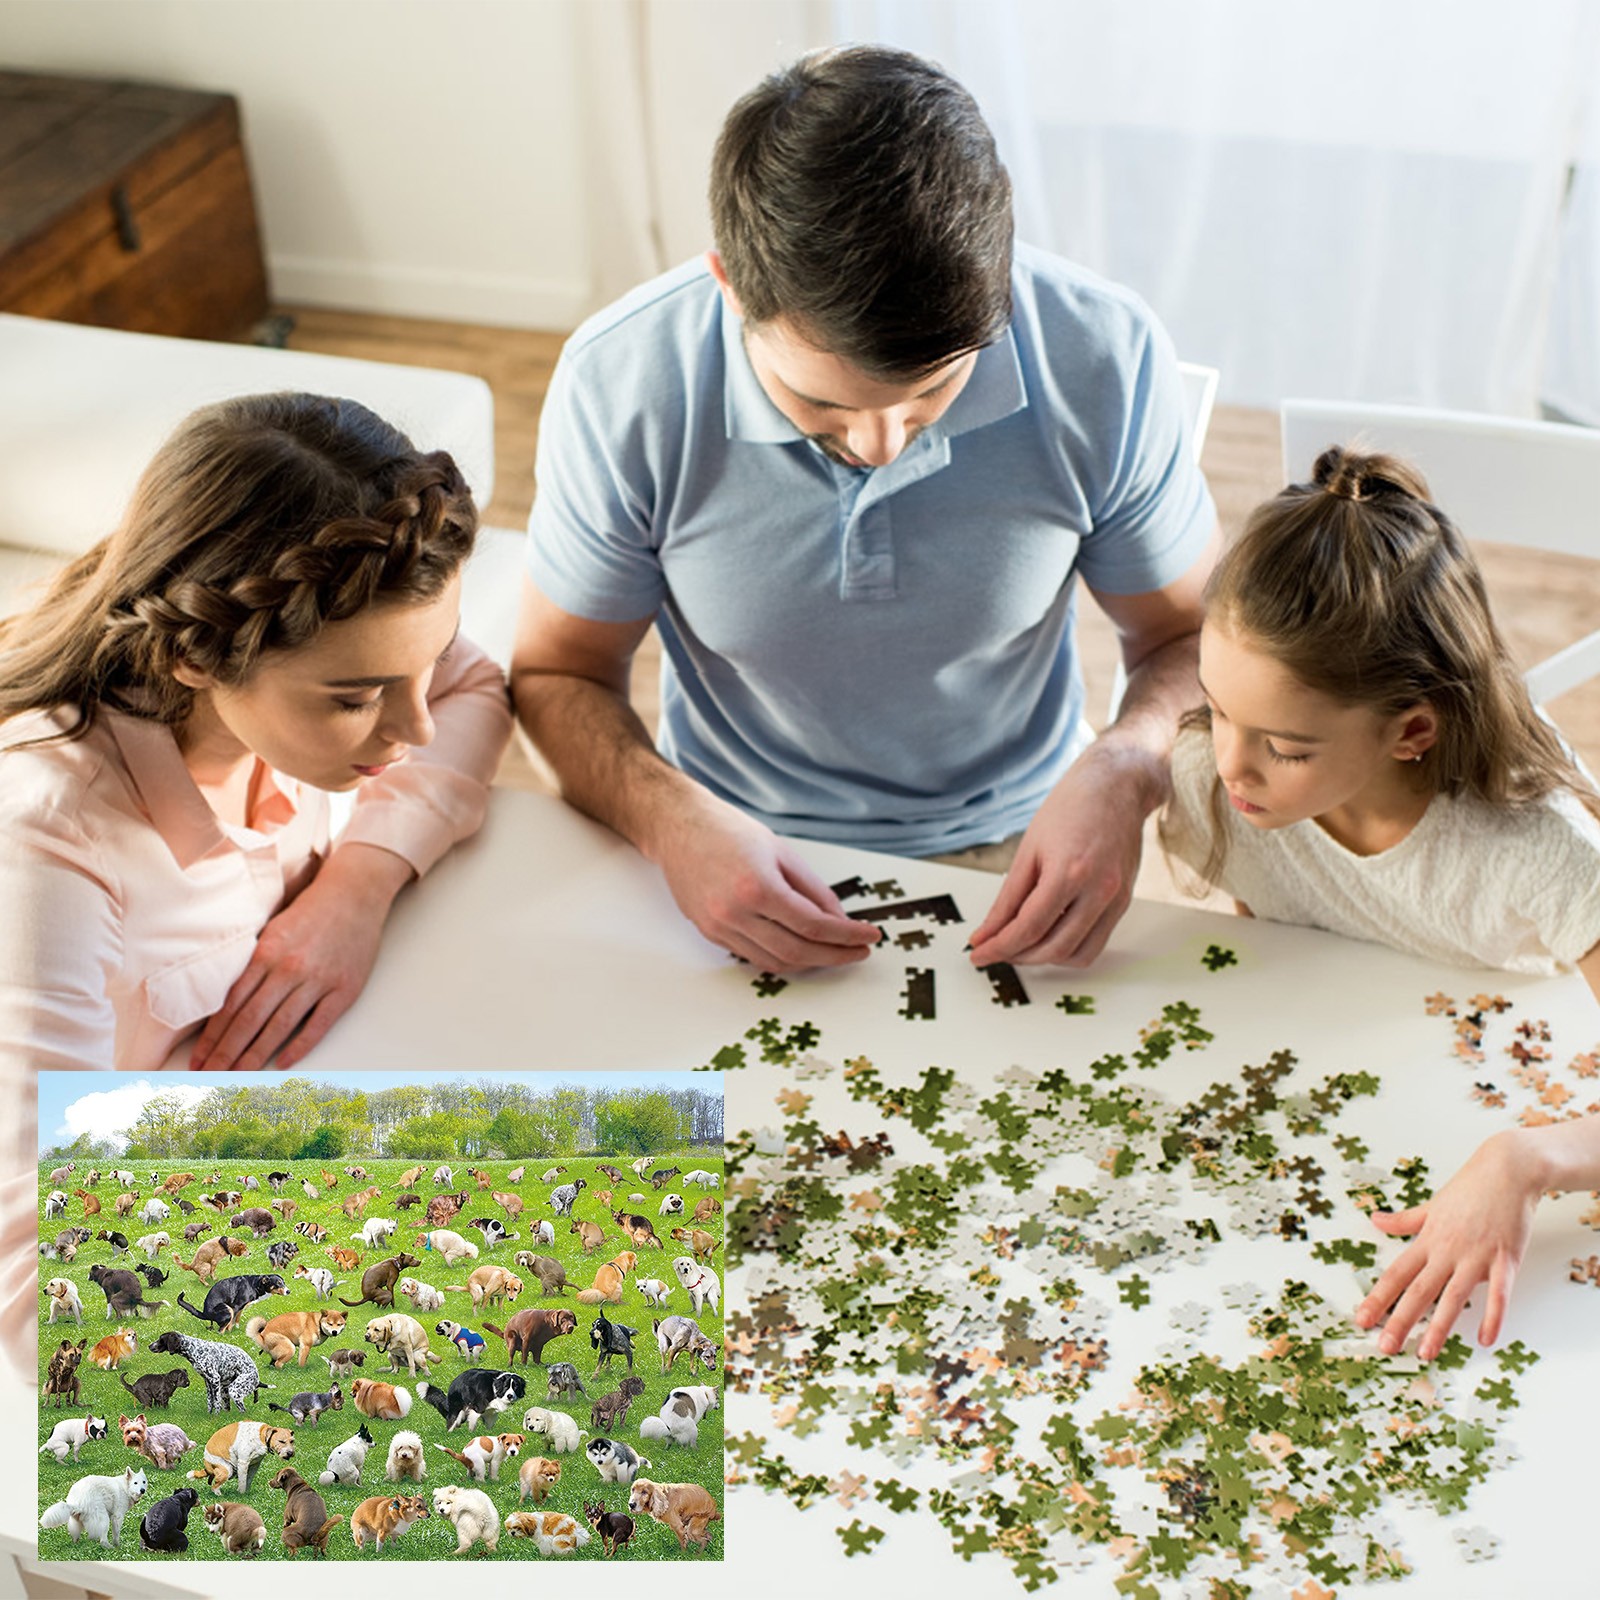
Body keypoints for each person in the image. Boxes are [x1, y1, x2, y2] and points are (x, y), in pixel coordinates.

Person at [512, 45, 1219, 977]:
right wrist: (666, 818)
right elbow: (558, 675)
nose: (883, 445)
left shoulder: (1103, 355)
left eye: (932, 395)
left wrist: (1127, 769)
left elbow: (1193, 642)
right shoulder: (621, 383)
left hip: (1027, 837)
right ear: (731, 287)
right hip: (721, 842)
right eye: (825, 406)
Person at [1160, 444, 1600, 1360]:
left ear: (1411, 731)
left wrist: (1526, 1160)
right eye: (1216, 708)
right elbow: (1276, 951)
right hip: (1356, 1074)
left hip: (1511, 1054)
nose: (1230, 764)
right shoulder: (1218, 784)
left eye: (1284, 746)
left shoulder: (1543, 849)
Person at [0, 390, 513, 1075]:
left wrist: (356, 887)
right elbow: (33, 1179)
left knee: (687, 1141)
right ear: (194, 658)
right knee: (654, 1161)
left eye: (433, 660)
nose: (416, 729)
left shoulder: (317, 645)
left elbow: (475, 689)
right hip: (168, 1163)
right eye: (357, 700)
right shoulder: (48, 846)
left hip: (314, 1091)